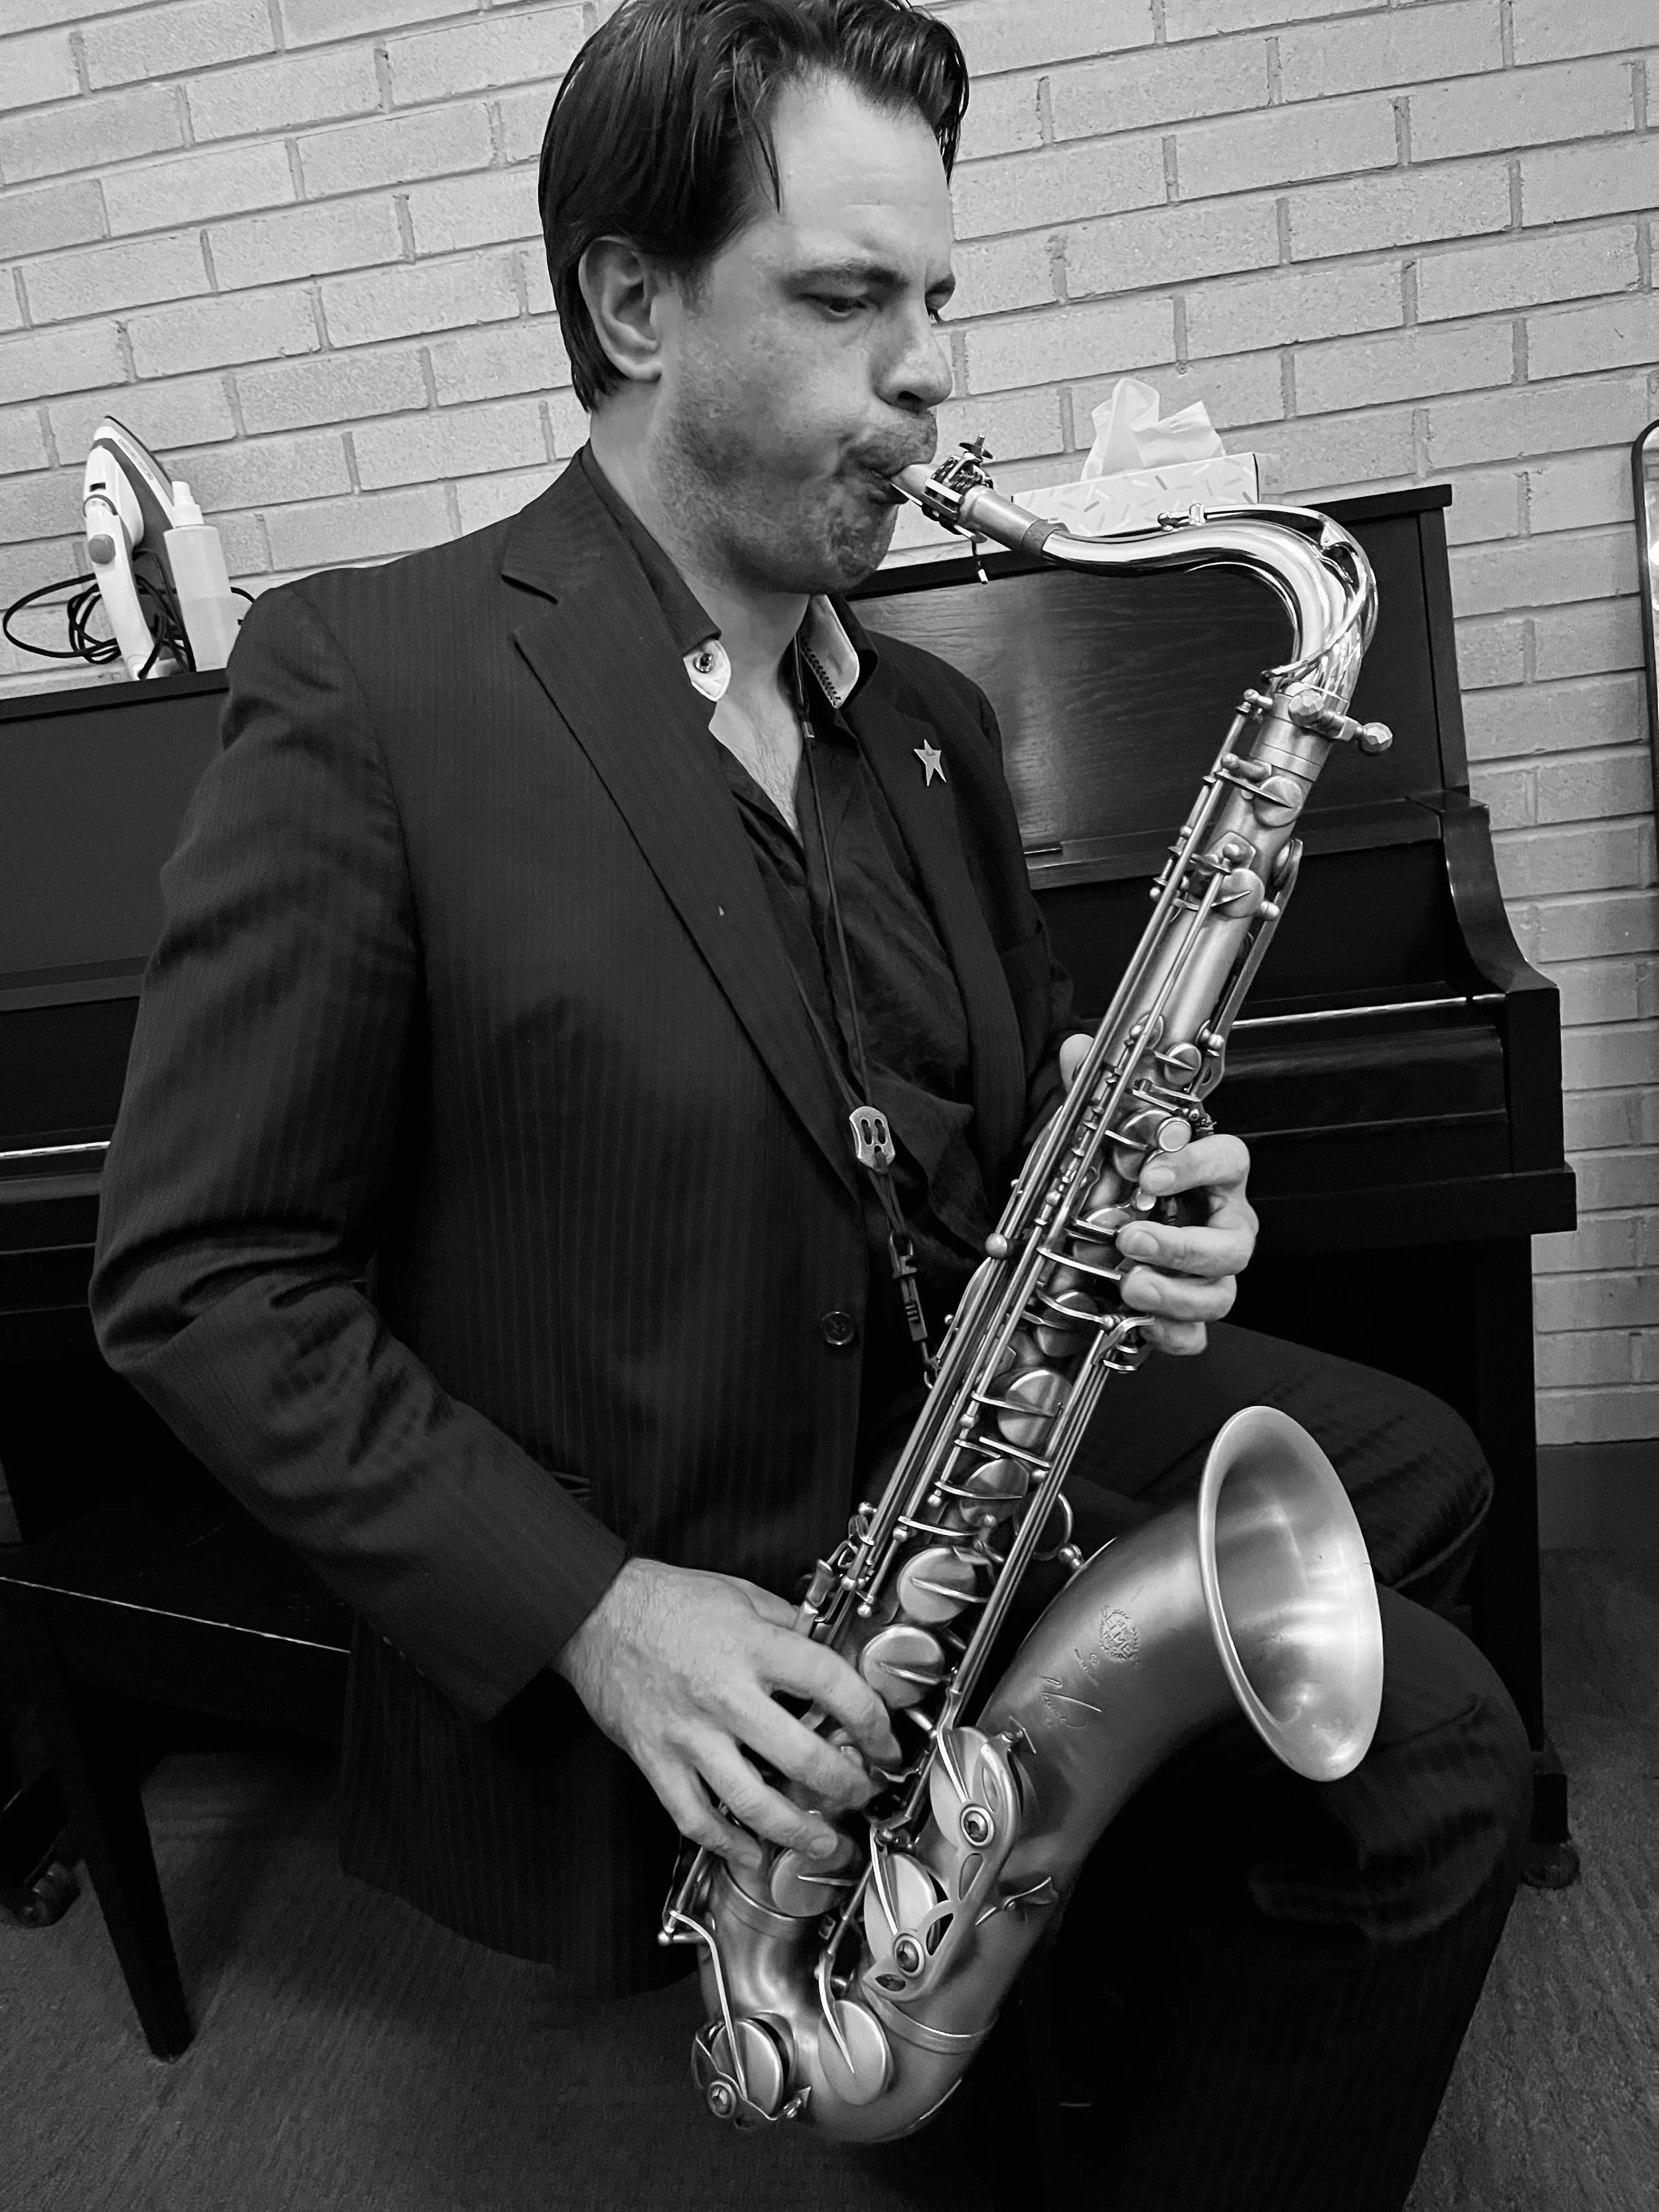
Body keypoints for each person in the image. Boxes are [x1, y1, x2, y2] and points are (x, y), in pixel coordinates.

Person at [90, 2, 1530, 2203]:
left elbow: (986, 1155)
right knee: (1431, 1772)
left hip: (924, 1427)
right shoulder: (371, 684)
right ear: (632, 303)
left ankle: (1065, 1937)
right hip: (695, 1523)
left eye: (937, 296)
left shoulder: (928, 720)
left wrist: (1144, 1216)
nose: (932, 369)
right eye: (851, 297)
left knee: (1416, 1466)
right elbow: (200, 1277)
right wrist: (596, 1605)